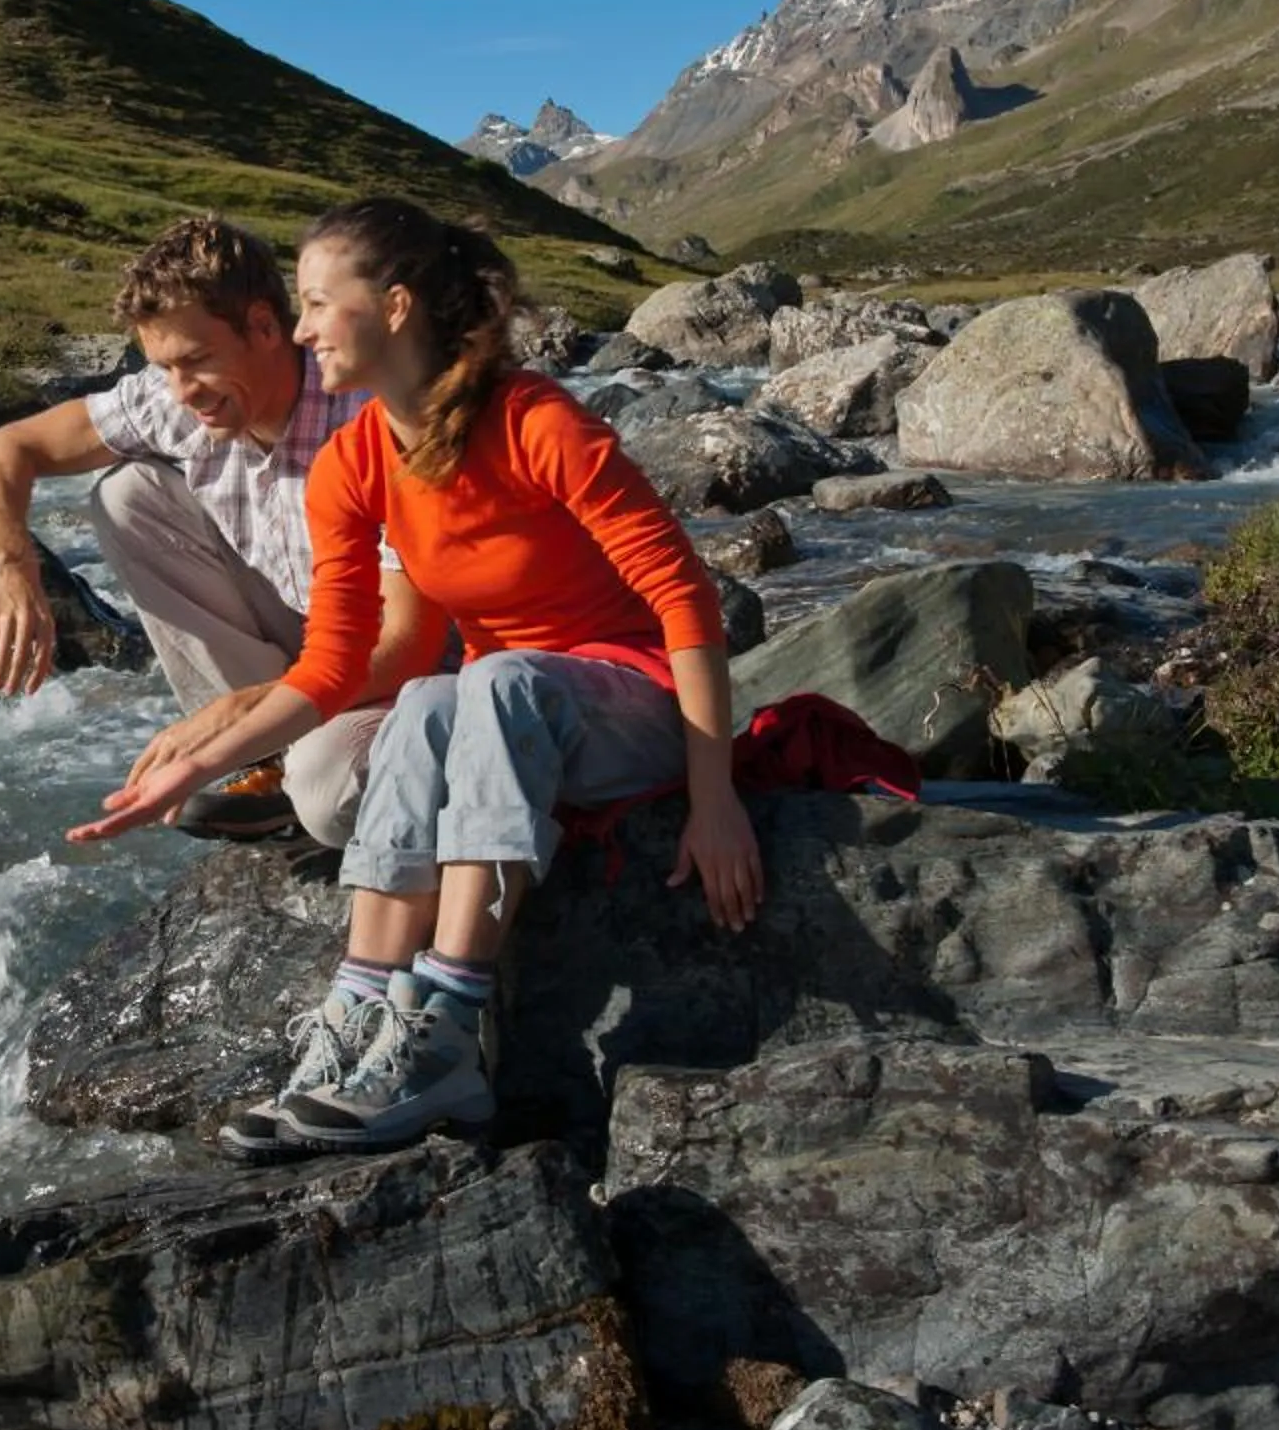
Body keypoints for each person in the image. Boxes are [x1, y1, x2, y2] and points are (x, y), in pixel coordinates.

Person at [70, 197, 763, 1158]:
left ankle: (449, 1033)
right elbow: (333, 666)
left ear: (394, 307)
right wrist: (195, 767)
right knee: (429, 699)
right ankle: (358, 1018)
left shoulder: (536, 420)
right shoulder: (352, 462)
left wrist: (713, 794)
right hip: (501, 710)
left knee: (495, 681)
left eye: (316, 302)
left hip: (626, 701)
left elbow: (684, 595)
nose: (302, 327)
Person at [0, 214, 444, 842]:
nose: (181, 390)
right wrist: (12, 565)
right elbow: (0, 451)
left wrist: (242, 708)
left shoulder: (371, 414)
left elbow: (411, 641)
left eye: (196, 360)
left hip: (415, 666)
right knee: (128, 494)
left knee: (327, 799)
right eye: (163, 366)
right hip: (317, 633)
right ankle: (267, 760)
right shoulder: (179, 399)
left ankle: (289, 751)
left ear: (267, 327)